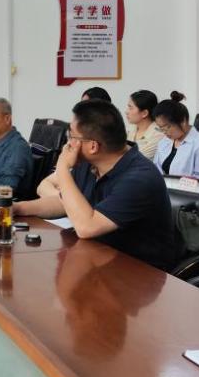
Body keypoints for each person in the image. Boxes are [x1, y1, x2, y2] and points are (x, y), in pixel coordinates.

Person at [11, 100, 180, 270]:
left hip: (139, 273)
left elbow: (87, 227)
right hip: (98, 258)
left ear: (93, 146)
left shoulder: (140, 178)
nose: (68, 144)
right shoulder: (89, 163)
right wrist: (18, 208)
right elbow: (65, 202)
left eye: (72, 137)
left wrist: (62, 167)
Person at [152, 92, 199, 181]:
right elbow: (156, 170)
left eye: (167, 127)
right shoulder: (164, 142)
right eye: (161, 128)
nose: (165, 133)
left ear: (183, 121)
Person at [125, 89, 164, 160]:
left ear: (144, 113)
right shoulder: (130, 128)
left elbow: (135, 159)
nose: (126, 111)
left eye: (131, 108)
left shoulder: (158, 134)